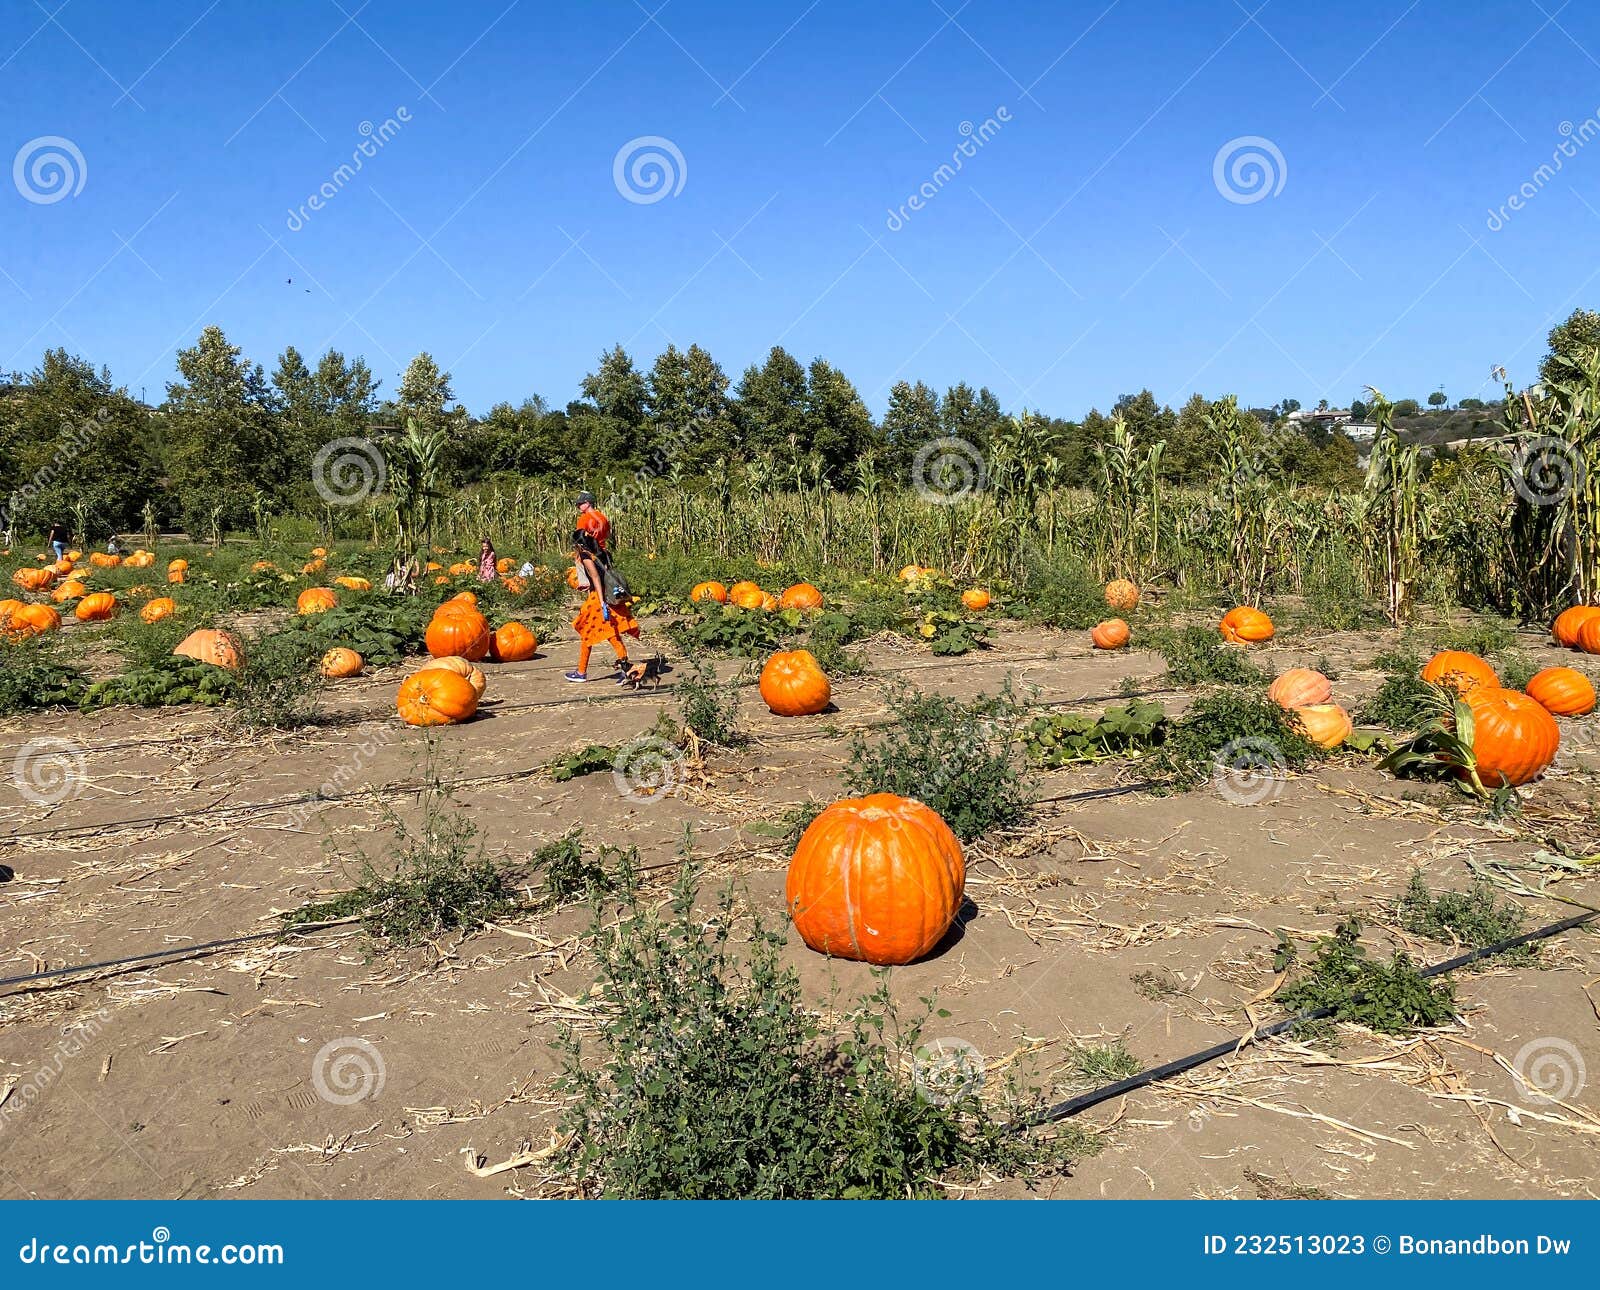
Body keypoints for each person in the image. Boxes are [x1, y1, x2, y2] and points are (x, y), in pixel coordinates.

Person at [565, 529, 638, 683]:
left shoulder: (586, 556)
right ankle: (624, 669)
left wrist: (601, 601)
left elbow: (596, 578)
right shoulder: (602, 553)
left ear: (579, 545)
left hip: (598, 600)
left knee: (592, 635)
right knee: (610, 635)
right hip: (610, 597)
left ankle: (582, 672)